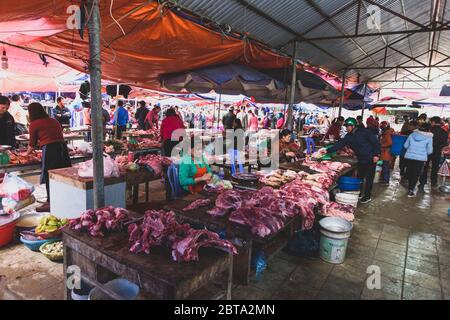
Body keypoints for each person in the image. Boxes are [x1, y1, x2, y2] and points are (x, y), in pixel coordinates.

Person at [323, 118, 381, 204]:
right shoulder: (348, 136)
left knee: (369, 178)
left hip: (370, 158)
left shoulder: (365, 132)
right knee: (360, 177)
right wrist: (327, 150)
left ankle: (367, 196)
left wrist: (376, 154)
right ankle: (360, 193)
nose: (346, 128)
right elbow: (340, 144)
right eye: (345, 126)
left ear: (353, 126)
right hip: (360, 159)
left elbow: (376, 142)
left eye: (347, 126)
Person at [27, 102, 71, 212]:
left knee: (49, 174)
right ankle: (64, 198)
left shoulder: (34, 123)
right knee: (63, 174)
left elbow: (31, 144)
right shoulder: (53, 120)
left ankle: (51, 202)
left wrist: (26, 154)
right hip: (62, 147)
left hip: (50, 149)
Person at [403, 123, 433, 197]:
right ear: (428, 129)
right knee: (416, 174)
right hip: (420, 159)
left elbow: (405, 145)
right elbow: (429, 151)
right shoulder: (429, 137)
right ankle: (411, 189)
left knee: (410, 172)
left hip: (410, 157)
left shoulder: (412, 134)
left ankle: (409, 186)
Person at [419, 116, 448, 189]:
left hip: (427, 151)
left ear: (434, 122)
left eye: (431, 122)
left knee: (425, 167)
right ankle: (433, 182)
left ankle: (422, 183)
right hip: (437, 152)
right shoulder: (444, 131)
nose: (431, 123)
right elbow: (445, 143)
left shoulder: (429, 130)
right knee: (435, 167)